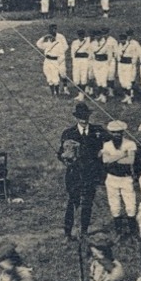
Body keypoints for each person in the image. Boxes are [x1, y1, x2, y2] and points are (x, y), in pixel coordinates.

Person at [58, 102, 104, 239]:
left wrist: (103, 151)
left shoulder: (98, 131)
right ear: (76, 118)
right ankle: (68, 232)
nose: (83, 120)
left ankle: (84, 231)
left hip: (91, 173)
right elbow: (60, 153)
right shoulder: (68, 133)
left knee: (88, 203)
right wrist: (64, 158)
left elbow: (110, 143)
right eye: (80, 117)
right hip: (74, 174)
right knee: (73, 202)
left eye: (86, 116)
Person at [101, 120, 137, 238]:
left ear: (123, 132)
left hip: (126, 178)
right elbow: (106, 161)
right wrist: (122, 155)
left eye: (119, 132)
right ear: (111, 133)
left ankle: (132, 233)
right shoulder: (107, 145)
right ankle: (119, 233)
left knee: (130, 205)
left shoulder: (130, 144)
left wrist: (113, 158)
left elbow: (130, 161)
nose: (117, 135)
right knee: (115, 205)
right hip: (112, 178)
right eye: (114, 132)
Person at [36, 22, 69, 97]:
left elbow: (65, 47)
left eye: (54, 29)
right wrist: (44, 37)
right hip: (48, 60)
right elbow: (39, 44)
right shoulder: (47, 39)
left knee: (62, 73)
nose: (53, 31)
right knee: (49, 76)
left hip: (58, 59)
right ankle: (53, 92)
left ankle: (65, 88)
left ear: (56, 29)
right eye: (51, 29)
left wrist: (58, 54)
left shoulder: (60, 37)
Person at [117, 30, 141, 105]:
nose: (122, 40)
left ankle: (130, 97)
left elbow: (136, 55)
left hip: (129, 64)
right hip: (121, 64)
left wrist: (133, 63)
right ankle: (127, 96)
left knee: (128, 81)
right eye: (121, 39)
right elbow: (117, 54)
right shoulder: (120, 45)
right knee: (122, 81)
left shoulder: (132, 45)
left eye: (123, 39)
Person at [71, 29, 92, 99]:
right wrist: (74, 62)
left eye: (82, 35)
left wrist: (88, 62)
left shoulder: (87, 42)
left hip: (84, 61)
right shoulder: (74, 43)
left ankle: (82, 94)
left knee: (83, 77)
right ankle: (79, 93)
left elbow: (90, 53)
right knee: (76, 79)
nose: (81, 37)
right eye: (79, 35)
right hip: (76, 61)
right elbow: (72, 54)